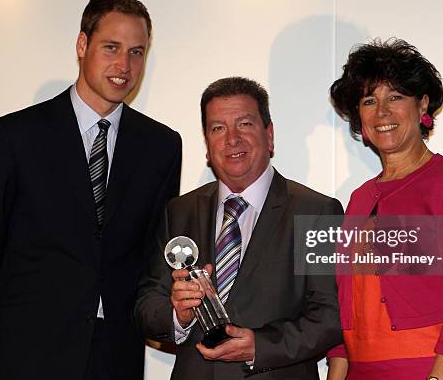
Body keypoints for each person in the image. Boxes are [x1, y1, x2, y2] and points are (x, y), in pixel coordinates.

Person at [0, 0, 181, 380]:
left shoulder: (161, 146)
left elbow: (153, 256)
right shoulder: (14, 136)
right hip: (25, 353)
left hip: (115, 355)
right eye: (111, 47)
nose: (124, 65)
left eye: (136, 52)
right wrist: (17, 324)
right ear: (82, 44)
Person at [134, 76, 343, 379]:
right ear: (207, 145)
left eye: (244, 124)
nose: (232, 139)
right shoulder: (178, 211)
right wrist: (177, 315)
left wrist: (260, 346)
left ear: (269, 135)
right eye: (218, 128)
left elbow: (331, 316)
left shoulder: (317, 212)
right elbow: (146, 304)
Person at [326, 39, 443, 380]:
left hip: (433, 371)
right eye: (369, 100)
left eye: (396, 97)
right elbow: (345, 311)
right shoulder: (359, 199)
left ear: (423, 106)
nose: (382, 112)